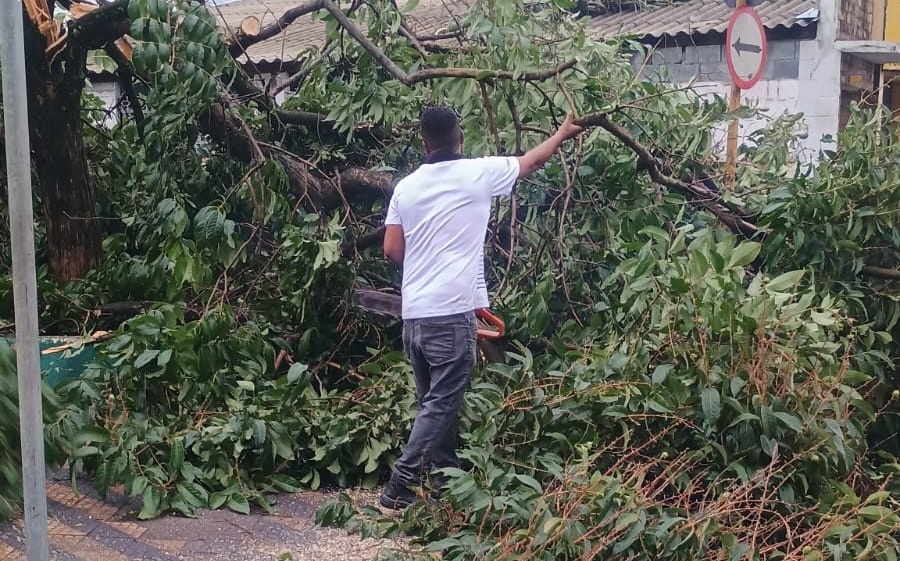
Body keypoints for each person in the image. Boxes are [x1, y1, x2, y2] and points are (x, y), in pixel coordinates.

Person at [380, 105, 584, 510]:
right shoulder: (478, 173)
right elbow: (532, 161)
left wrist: (427, 263)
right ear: (460, 137)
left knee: (434, 405)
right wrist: (562, 133)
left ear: (423, 142)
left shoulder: (406, 187)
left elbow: (391, 249)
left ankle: (443, 482)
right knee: (441, 405)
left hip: (414, 316)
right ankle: (398, 488)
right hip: (450, 315)